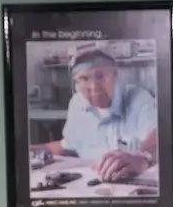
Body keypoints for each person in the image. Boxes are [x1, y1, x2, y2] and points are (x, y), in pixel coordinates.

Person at [35, 48, 158, 183]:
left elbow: (158, 136)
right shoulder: (77, 104)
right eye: (84, 79)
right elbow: (66, 146)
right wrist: (24, 150)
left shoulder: (139, 98)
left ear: (115, 75)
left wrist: (142, 157)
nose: (93, 86)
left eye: (100, 76)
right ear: (76, 83)